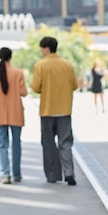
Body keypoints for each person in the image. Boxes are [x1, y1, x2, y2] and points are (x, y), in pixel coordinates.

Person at [32, 36, 79, 186]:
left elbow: (35, 87)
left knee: (48, 143)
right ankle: (69, 172)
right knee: (65, 142)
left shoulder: (41, 65)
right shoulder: (67, 65)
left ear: (46, 48)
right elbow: (75, 85)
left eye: (41, 49)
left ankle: (53, 175)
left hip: (47, 110)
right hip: (65, 110)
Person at [0, 47, 28, 184]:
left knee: (2, 145)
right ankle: (17, 174)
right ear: (10, 57)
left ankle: (5, 174)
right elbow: (24, 92)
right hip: (15, 112)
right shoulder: (18, 73)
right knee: (16, 144)